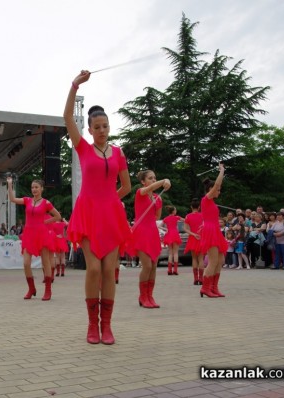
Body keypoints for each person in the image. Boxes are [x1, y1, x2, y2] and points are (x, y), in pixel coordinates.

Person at [64, 70, 132, 345]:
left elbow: (126, 186)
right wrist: (74, 85)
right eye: (97, 127)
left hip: (111, 216)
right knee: (93, 269)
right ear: (89, 130)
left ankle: (108, 327)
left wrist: (111, 201)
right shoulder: (82, 147)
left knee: (108, 270)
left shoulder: (119, 153)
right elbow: (68, 117)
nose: (102, 130)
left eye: (106, 125)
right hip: (88, 214)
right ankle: (92, 325)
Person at [7, 176, 61, 301]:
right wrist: (10, 185)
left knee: (45, 262)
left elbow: (57, 216)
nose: (34, 189)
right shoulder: (27, 200)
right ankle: (31, 288)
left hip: (41, 234)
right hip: (28, 235)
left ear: (42, 189)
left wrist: (46, 222)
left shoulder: (46, 203)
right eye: (32, 187)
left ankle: (48, 290)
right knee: (26, 263)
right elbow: (12, 199)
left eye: (36, 187)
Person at [129, 170, 170, 309]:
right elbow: (151, 188)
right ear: (143, 181)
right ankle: (142, 296)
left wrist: (162, 183)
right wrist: (164, 180)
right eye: (150, 178)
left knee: (153, 266)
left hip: (152, 231)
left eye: (155, 178)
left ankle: (149, 296)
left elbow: (157, 217)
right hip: (141, 232)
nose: (153, 180)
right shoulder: (140, 192)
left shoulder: (158, 199)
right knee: (146, 265)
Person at [199, 163, 228, 298]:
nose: (219, 191)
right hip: (211, 231)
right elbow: (216, 185)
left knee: (220, 260)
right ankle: (205, 288)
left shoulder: (211, 203)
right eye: (217, 189)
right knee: (213, 261)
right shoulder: (206, 199)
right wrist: (222, 170)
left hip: (215, 230)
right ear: (210, 189)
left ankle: (214, 287)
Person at [184, 198, 205, 285]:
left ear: (191, 207)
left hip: (193, 238)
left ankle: (195, 278)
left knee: (194, 258)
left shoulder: (188, 216)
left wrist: (193, 234)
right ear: (199, 207)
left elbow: (185, 229)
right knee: (201, 259)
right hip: (201, 237)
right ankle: (201, 278)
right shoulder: (203, 215)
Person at [162, 205, 182, 276]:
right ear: (173, 211)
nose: (176, 211)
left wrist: (166, 229)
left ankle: (169, 270)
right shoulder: (176, 217)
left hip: (169, 234)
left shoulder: (166, 218)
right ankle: (175, 270)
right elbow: (186, 220)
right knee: (175, 253)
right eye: (175, 210)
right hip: (175, 234)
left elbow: (159, 226)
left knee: (170, 253)